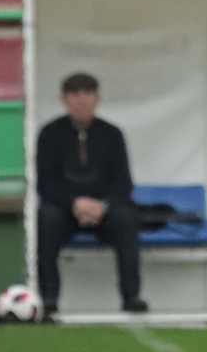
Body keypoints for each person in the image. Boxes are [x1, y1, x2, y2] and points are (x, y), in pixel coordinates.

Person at [35, 73, 148, 317]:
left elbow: (123, 182)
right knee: (47, 219)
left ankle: (132, 296)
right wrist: (74, 204)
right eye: (75, 94)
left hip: (104, 211)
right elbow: (45, 183)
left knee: (126, 219)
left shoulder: (112, 134)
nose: (82, 100)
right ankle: (48, 298)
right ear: (65, 100)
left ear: (97, 99)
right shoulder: (49, 134)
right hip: (65, 211)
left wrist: (102, 206)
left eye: (88, 94)